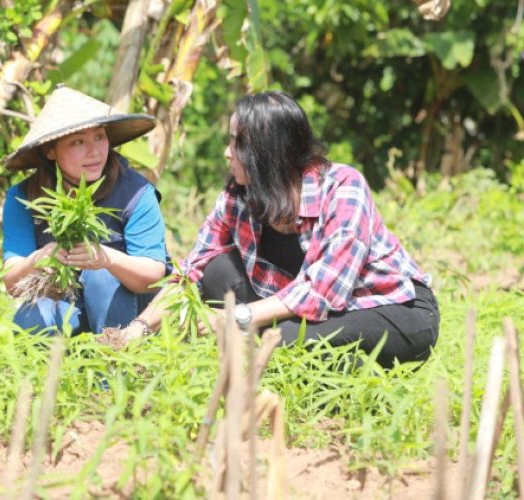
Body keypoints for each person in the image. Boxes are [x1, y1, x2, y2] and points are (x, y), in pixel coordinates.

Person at [122, 91, 439, 368]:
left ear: (268, 152)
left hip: (391, 308)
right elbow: (191, 272)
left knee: (281, 340)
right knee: (216, 270)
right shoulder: (238, 196)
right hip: (309, 311)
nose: (227, 152)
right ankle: (304, 365)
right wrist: (139, 327)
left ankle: (360, 381)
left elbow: (322, 294)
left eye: (237, 143)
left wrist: (236, 317)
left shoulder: (343, 188)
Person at [1, 85, 169, 335]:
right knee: (30, 319)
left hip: (133, 311)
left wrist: (107, 259)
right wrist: (38, 259)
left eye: (100, 137)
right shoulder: (25, 197)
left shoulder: (135, 193)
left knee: (99, 276)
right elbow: (13, 283)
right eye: (78, 142)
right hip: (69, 304)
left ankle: (115, 366)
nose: (95, 152)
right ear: (50, 150)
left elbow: (155, 275)